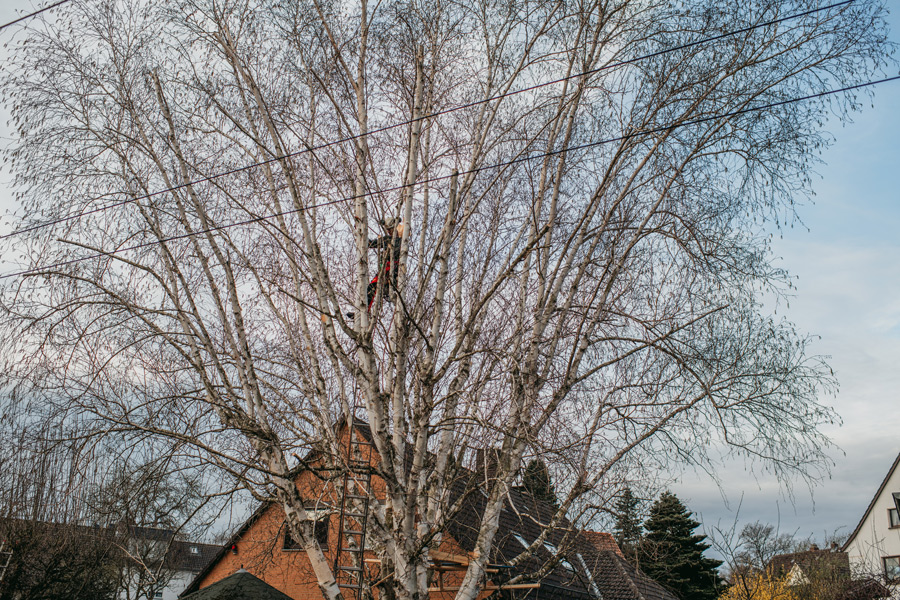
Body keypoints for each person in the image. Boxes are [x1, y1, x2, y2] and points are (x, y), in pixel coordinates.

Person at [346, 218, 404, 319]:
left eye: (390, 229)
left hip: (393, 271)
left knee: (374, 288)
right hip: (385, 271)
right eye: (388, 229)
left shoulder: (399, 241)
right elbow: (370, 244)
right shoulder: (388, 240)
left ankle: (389, 291)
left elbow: (371, 244)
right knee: (370, 289)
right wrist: (360, 233)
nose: (389, 231)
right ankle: (361, 313)